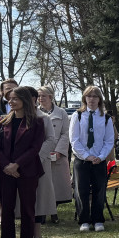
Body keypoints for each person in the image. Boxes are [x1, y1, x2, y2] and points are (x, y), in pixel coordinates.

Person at [0, 86, 46, 238]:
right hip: (5, 171)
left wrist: (17, 165)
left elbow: (35, 147)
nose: (11, 102)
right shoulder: (2, 121)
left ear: (24, 100)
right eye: (9, 99)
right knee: (6, 209)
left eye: (15, 98)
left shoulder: (37, 122)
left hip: (27, 171)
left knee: (27, 209)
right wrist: (7, 165)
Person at [69, 86, 115, 233]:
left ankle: (98, 220)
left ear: (99, 99)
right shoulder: (78, 115)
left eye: (95, 96)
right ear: (84, 98)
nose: (92, 99)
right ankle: (84, 220)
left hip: (99, 161)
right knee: (81, 190)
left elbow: (109, 141)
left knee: (99, 190)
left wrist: (100, 157)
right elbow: (74, 140)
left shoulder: (106, 118)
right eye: (89, 96)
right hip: (82, 160)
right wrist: (86, 156)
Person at [26, 88, 58, 238]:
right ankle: (24, 231)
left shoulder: (43, 118)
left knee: (38, 197)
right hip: (19, 165)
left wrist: (36, 157)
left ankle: (37, 232)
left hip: (39, 163)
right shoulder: (13, 117)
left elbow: (51, 140)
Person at [37, 86, 73, 221]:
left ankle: (54, 212)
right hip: (41, 152)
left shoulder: (61, 113)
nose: (41, 98)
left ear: (50, 97)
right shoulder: (35, 112)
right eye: (39, 96)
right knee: (43, 184)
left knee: (56, 184)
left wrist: (59, 151)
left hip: (57, 152)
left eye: (43, 96)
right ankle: (41, 213)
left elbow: (66, 133)